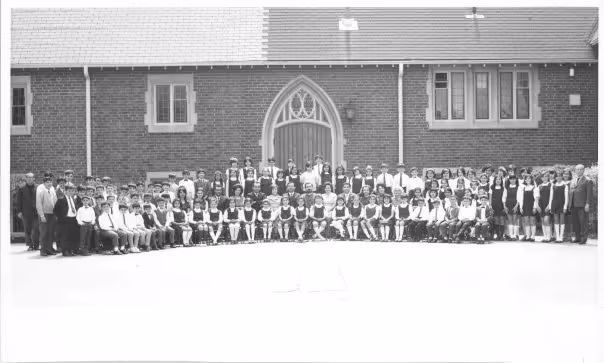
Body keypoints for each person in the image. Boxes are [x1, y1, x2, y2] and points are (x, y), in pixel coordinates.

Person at [568, 164, 593, 244]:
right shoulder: (573, 180)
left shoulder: (588, 180)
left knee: (583, 222)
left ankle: (583, 238)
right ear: (575, 171)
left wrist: (587, 204)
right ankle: (577, 237)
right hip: (573, 205)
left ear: (584, 170)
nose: (579, 171)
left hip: (582, 205)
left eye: (581, 169)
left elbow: (589, 194)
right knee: (575, 222)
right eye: (577, 169)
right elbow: (571, 192)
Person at [54, 183, 80, 256]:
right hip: (65, 220)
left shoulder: (73, 199)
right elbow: (55, 210)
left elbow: (74, 208)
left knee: (72, 235)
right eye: (69, 191)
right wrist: (62, 218)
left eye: (72, 191)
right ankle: (65, 251)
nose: (71, 192)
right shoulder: (61, 199)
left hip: (73, 219)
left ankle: (71, 250)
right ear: (65, 191)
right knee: (65, 236)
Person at [17, 172, 39, 251]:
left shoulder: (38, 187)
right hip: (26, 212)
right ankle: (30, 245)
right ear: (26, 179)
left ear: (34, 178)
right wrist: (19, 211)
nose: (30, 179)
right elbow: (18, 201)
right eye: (28, 178)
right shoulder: (21, 189)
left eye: (31, 178)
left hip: (36, 212)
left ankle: (36, 245)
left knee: (36, 229)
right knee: (27, 229)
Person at [549, 170, 569, 243]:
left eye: (560, 176)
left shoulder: (565, 186)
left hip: (562, 205)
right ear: (555, 178)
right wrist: (550, 207)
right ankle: (557, 237)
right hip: (554, 205)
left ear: (561, 177)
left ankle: (561, 236)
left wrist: (565, 207)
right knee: (556, 221)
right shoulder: (553, 185)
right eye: (557, 176)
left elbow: (566, 197)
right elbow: (551, 197)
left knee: (562, 221)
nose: (558, 177)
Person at [518, 174, 539, 242]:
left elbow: (536, 199)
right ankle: (528, 236)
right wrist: (521, 207)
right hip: (525, 206)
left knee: (532, 221)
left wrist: (534, 207)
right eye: (526, 178)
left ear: (531, 179)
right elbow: (521, 199)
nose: (528, 180)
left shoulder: (534, 188)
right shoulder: (523, 188)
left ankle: (533, 236)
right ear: (525, 180)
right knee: (526, 221)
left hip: (531, 206)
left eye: (529, 178)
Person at [538, 170, 554, 242]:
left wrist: (549, 206)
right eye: (543, 177)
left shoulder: (551, 185)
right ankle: (545, 236)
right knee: (542, 221)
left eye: (546, 176)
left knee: (547, 220)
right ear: (541, 178)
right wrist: (537, 206)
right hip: (541, 205)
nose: (545, 178)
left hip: (548, 205)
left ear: (548, 177)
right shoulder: (539, 186)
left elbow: (552, 196)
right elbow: (538, 197)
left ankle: (549, 237)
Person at [490, 175, 507, 241]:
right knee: (496, 220)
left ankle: (501, 235)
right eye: (496, 179)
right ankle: (497, 235)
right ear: (494, 180)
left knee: (502, 220)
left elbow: (504, 198)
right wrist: (490, 206)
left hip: (501, 205)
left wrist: (504, 206)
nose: (498, 180)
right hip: (494, 205)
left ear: (501, 181)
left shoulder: (503, 188)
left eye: (499, 179)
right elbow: (490, 198)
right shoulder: (492, 188)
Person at [504, 174, 520, 240]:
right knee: (510, 220)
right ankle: (511, 235)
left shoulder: (518, 187)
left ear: (516, 180)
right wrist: (504, 206)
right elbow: (504, 197)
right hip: (508, 204)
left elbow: (519, 197)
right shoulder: (506, 187)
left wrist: (516, 206)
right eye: (511, 179)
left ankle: (515, 235)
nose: (512, 180)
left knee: (515, 220)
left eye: (514, 179)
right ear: (509, 180)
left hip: (515, 204)